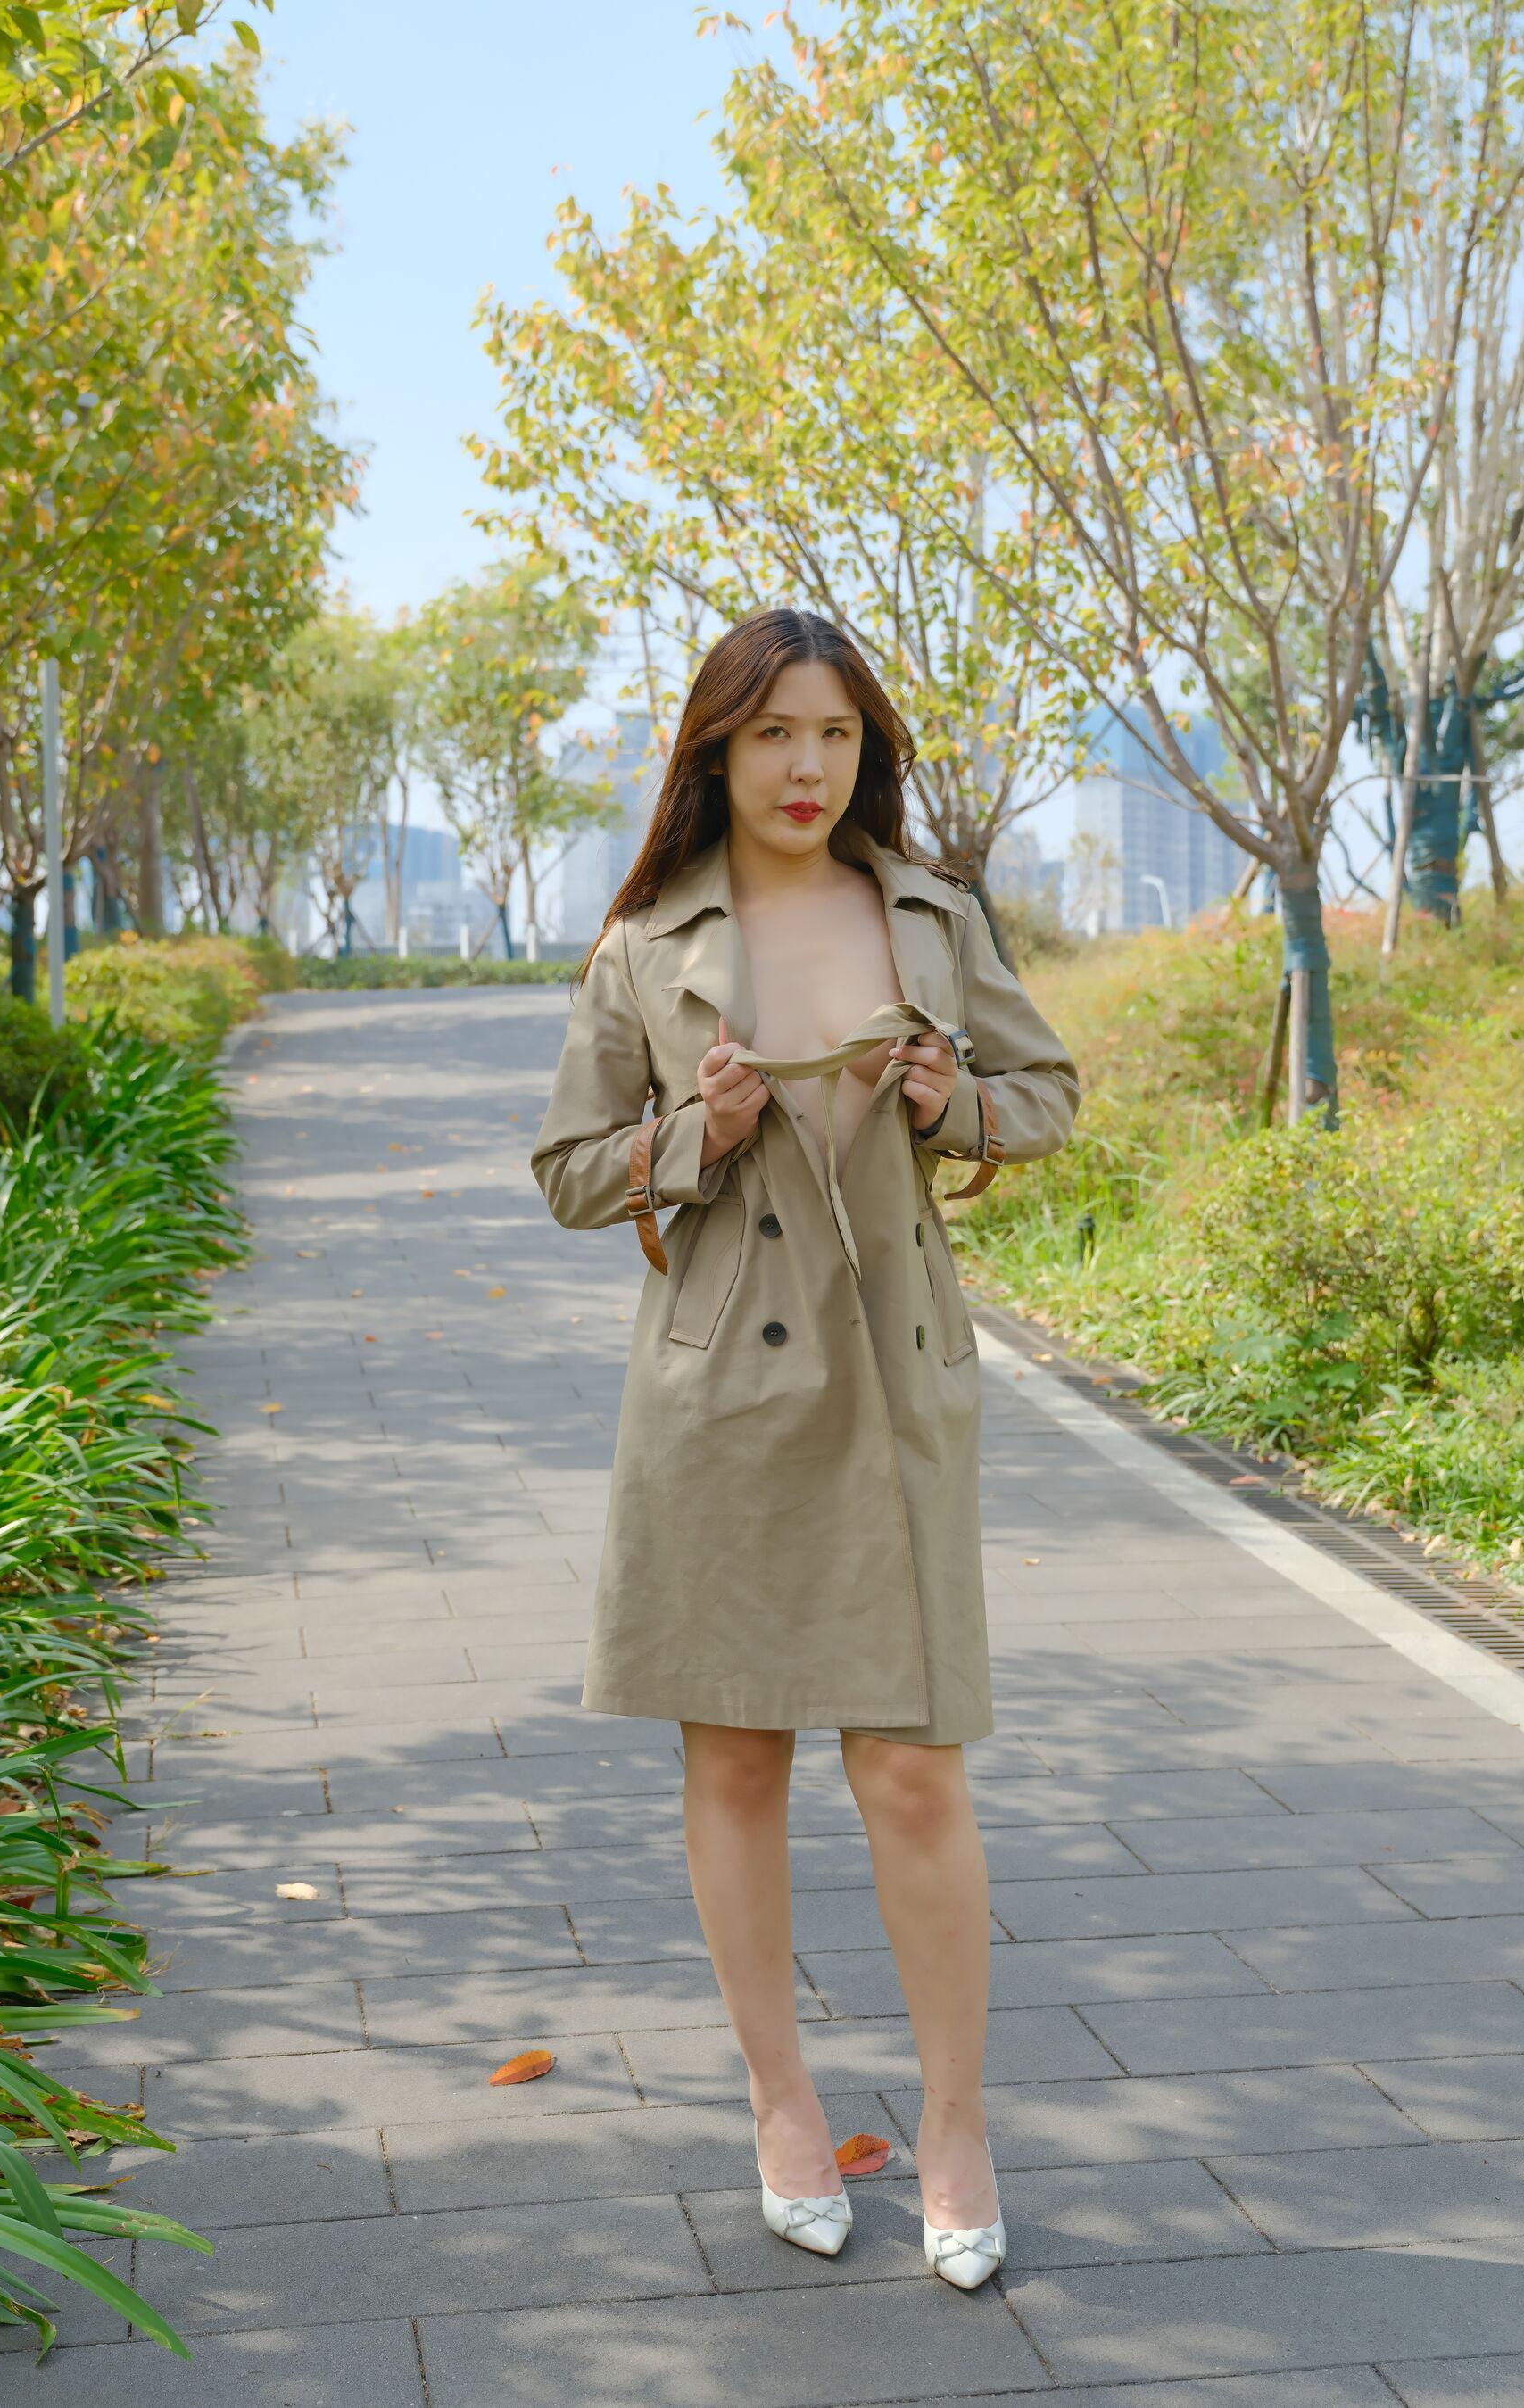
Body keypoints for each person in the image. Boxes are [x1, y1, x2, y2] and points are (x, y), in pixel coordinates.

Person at [531, 607, 1079, 2288]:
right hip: (720, 1397)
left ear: (867, 752)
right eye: (773, 732)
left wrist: (949, 1100)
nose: (806, 766)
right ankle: (782, 2105)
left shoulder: (930, 913)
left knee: (913, 1766)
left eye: (836, 734)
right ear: (718, 749)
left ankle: (957, 2126)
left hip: (897, 1380)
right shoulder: (647, 941)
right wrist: (692, 1131)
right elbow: (567, 1168)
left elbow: (1047, 1093)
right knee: (738, 1761)